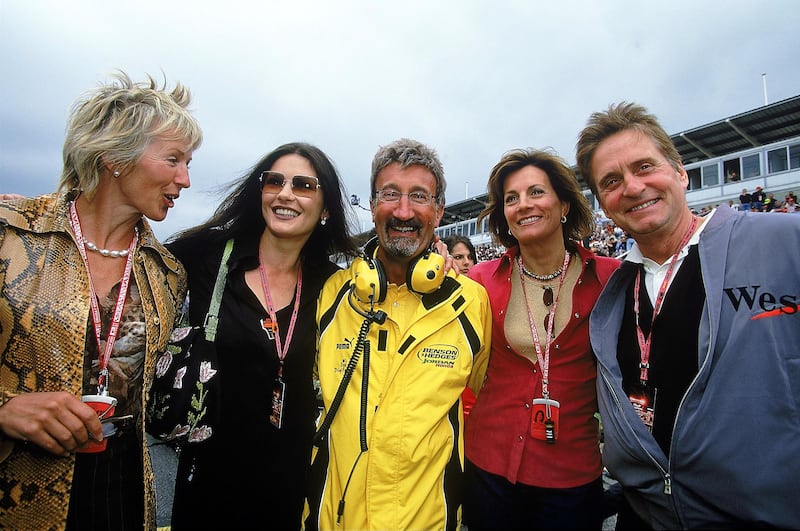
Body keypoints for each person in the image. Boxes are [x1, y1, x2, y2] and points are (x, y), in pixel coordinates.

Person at [575, 101, 800, 529]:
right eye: (611, 181)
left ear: (680, 171)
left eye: (644, 167)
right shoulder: (614, 290)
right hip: (646, 515)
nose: (633, 186)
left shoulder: (784, 242)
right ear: (603, 202)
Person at [0, 71, 202, 530]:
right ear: (114, 154)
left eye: (188, 162)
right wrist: (5, 408)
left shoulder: (166, 272)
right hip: (15, 492)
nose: (185, 179)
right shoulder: (10, 234)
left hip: (123, 493)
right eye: (173, 159)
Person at [163, 142, 358, 530]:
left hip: (289, 481)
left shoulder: (335, 284)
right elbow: (128, 258)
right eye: (275, 182)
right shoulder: (210, 255)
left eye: (304, 185)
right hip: (208, 479)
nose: (286, 194)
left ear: (326, 209)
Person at [304, 138, 492, 531]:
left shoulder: (472, 303)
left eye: (419, 196)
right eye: (391, 194)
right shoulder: (330, 294)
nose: (403, 211)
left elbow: (486, 399)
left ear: (439, 211)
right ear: (373, 206)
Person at [462, 148, 620, 531]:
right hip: (487, 467)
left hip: (570, 475)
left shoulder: (611, 278)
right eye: (511, 199)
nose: (523, 205)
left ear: (563, 203)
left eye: (536, 192)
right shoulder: (480, 281)